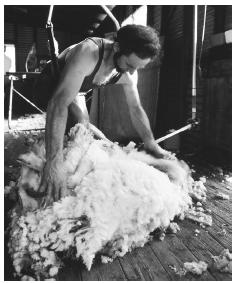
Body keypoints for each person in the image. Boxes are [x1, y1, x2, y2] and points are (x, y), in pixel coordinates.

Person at [34, 24, 173, 206]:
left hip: (75, 89)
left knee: (83, 130)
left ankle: (88, 147)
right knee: (78, 126)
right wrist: (53, 163)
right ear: (116, 47)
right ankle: (52, 168)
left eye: (138, 68)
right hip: (49, 84)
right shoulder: (88, 53)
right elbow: (58, 104)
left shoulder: (130, 70)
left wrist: (151, 144)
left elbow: (136, 109)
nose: (132, 72)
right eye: (130, 65)